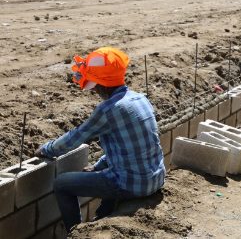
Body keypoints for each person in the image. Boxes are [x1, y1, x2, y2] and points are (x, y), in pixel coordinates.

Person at [35, 47, 166, 233]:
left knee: (62, 184)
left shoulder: (109, 109)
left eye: (94, 84)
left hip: (133, 184)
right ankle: (103, 217)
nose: (94, 89)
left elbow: (76, 137)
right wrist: (97, 166)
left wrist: (47, 149)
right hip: (156, 178)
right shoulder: (140, 99)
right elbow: (130, 149)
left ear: (102, 85)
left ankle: (76, 233)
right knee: (109, 174)